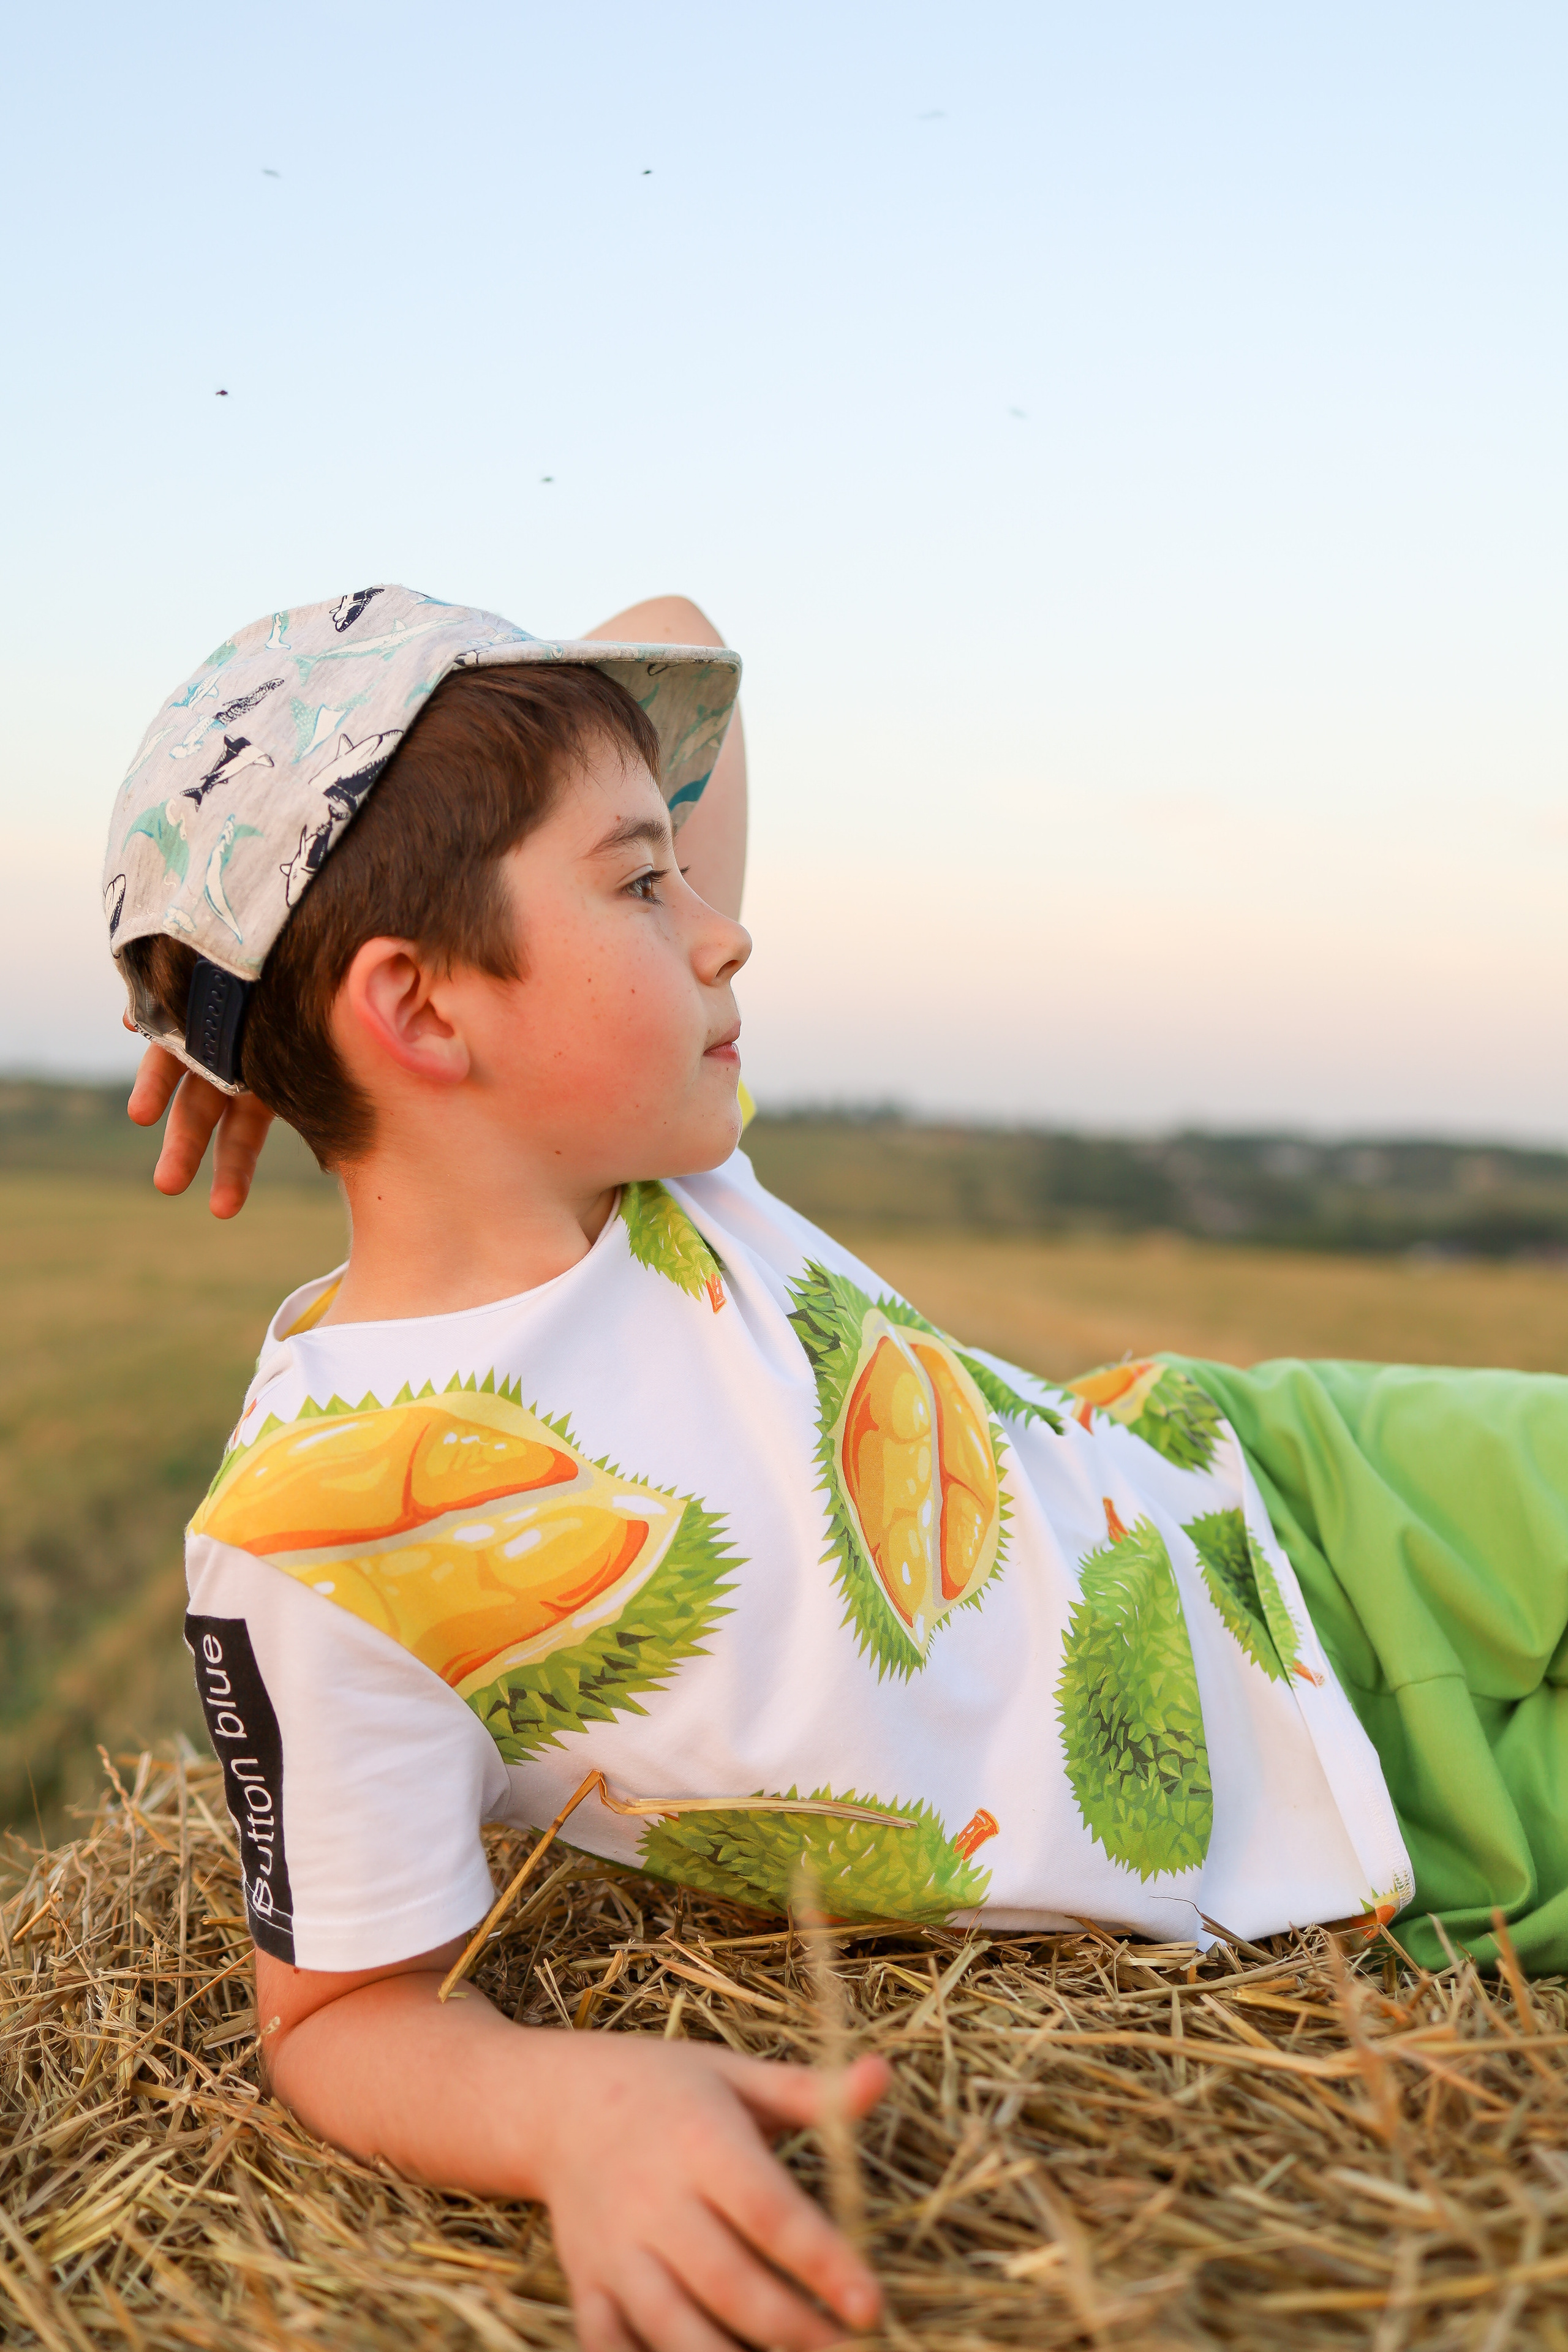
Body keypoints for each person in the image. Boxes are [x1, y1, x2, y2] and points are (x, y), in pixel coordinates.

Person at [110, 586, 1568, 2352]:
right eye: (643, 885)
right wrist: (573, 2113)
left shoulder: (644, 1167)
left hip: (1305, 1484)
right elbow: (339, 2015)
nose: (721, 934)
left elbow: (671, 626)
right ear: (420, 1014)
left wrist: (242, 985)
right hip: (1336, 1817)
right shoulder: (312, 1544)